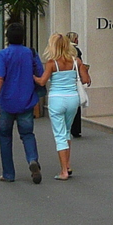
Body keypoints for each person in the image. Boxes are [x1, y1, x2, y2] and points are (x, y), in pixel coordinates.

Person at [0, 24, 46, 183]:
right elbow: (40, 74)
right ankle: (32, 159)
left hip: (7, 101)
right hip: (26, 100)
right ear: (23, 37)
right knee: (27, 134)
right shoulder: (30, 53)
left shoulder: (3, 55)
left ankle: (8, 173)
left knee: (4, 135)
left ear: (7, 37)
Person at [37, 32, 89, 181]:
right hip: (73, 98)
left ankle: (63, 171)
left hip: (57, 99)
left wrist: (33, 77)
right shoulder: (76, 61)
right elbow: (85, 80)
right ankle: (67, 165)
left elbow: (42, 81)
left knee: (59, 135)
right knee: (66, 132)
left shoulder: (52, 63)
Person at [67, 31, 84, 139]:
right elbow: (80, 64)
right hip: (74, 79)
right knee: (75, 106)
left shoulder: (63, 50)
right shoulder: (76, 51)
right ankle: (75, 129)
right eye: (76, 38)